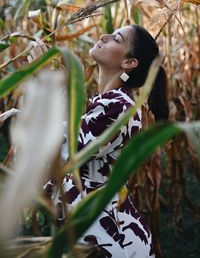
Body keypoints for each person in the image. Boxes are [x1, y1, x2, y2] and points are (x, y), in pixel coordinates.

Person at [28, 24, 169, 258]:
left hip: (109, 240)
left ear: (129, 63)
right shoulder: (108, 103)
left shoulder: (119, 108)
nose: (103, 36)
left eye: (116, 38)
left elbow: (60, 149)